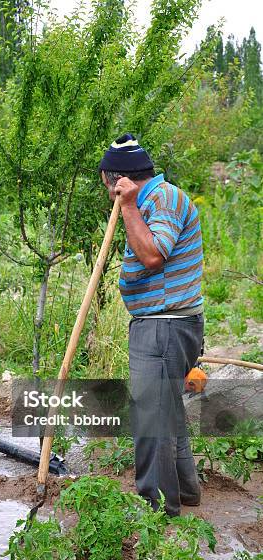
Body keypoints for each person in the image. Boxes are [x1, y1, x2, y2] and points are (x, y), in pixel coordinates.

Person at [99, 133, 203, 516]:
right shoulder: (149, 202)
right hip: (165, 325)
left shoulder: (162, 198)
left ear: (117, 178)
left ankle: (156, 508)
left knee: (151, 416)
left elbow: (153, 256)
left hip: (165, 326)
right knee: (166, 410)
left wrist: (127, 207)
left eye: (106, 184)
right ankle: (184, 491)